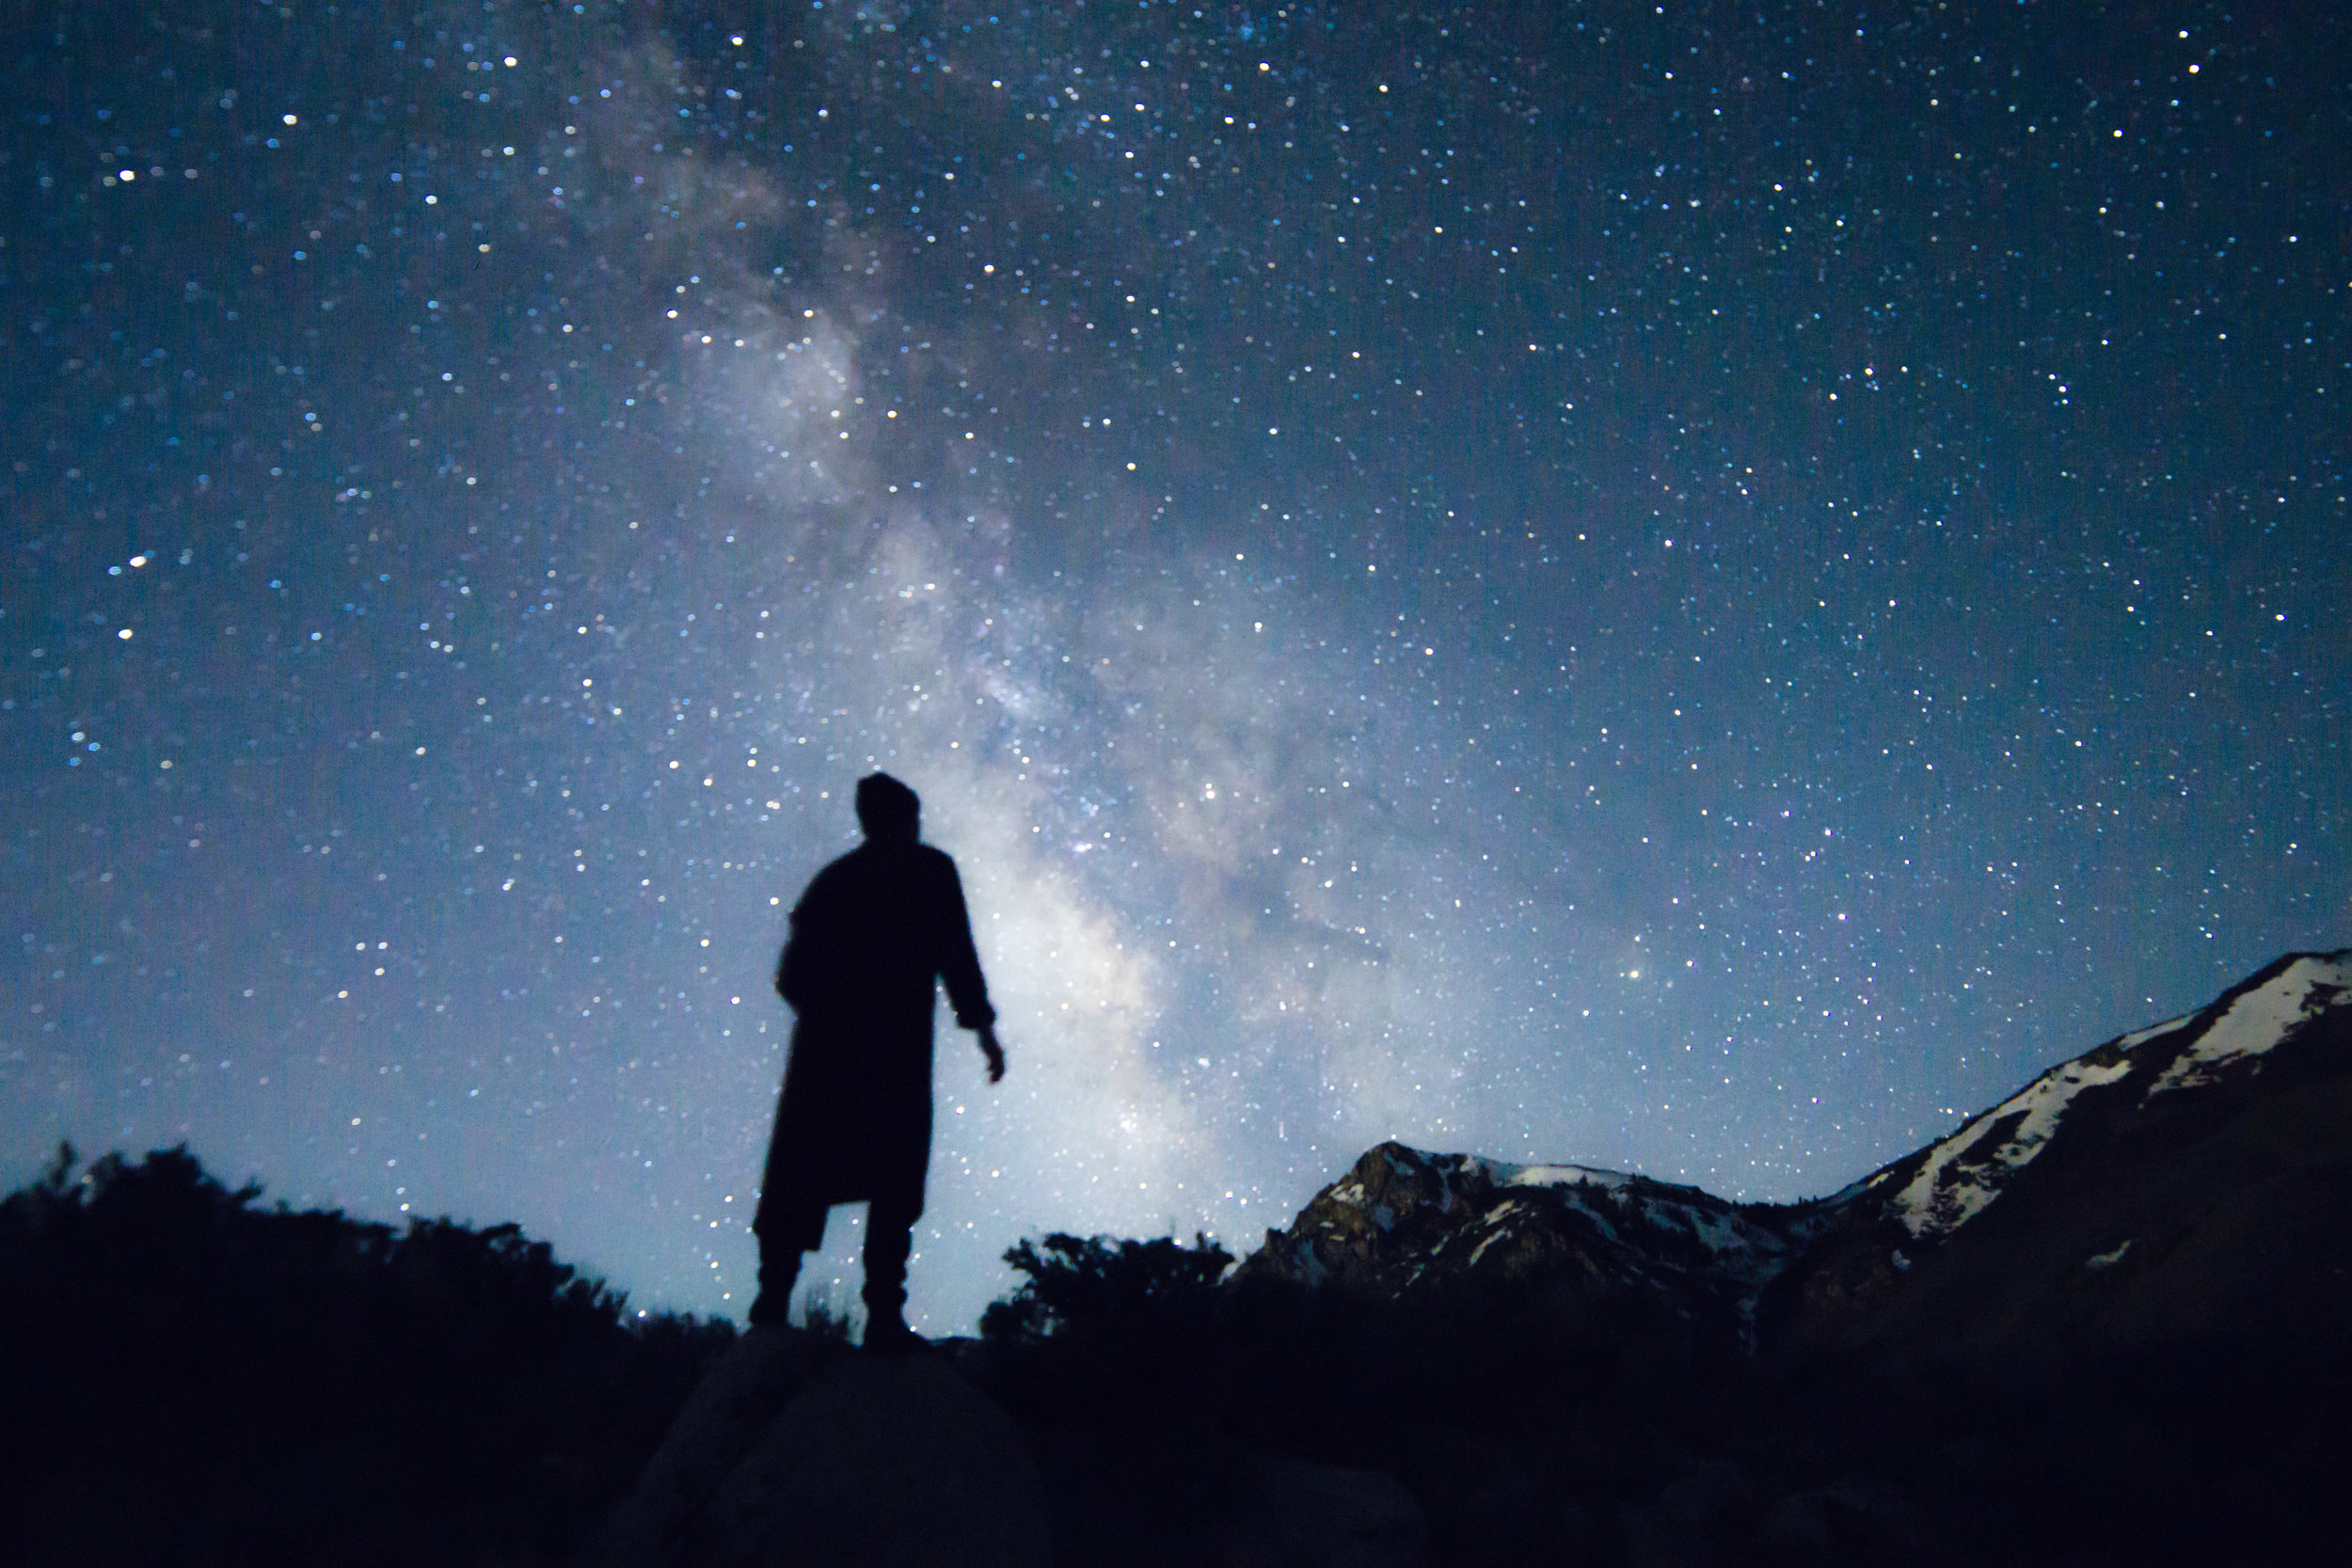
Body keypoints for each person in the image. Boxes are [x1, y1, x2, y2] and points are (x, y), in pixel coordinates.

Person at [750, 772, 1005, 1349]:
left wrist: (827, 1014)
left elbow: (790, 976)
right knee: (893, 1172)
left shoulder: (834, 882)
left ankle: (773, 1299)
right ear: (905, 817)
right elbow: (956, 955)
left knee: (804, 1170)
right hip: (892, 1051)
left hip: (827, 1052)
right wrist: (984, 1031)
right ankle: (883, 1314)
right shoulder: (928, 871)